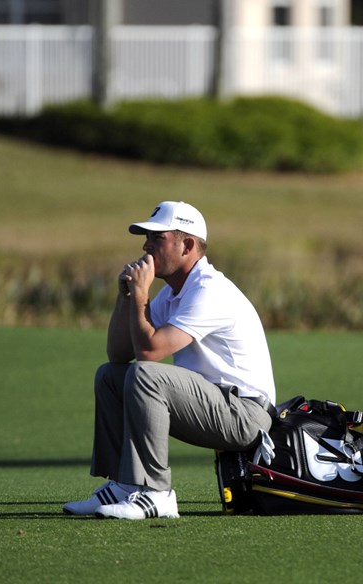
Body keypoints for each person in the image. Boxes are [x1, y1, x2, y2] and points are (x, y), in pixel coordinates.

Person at [63, 201, 277, 519]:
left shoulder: (210, 290)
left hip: (245, 416)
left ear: (187, 244)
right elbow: (118, 353)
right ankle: (124, 485)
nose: (145, 246)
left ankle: (156, 493)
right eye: (146, 238)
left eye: (157, 238)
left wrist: (140, 296)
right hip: (215, 405)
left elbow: (150, 352)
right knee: (110, 376)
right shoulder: (172, 293)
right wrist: (127, 298)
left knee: (147, 375)